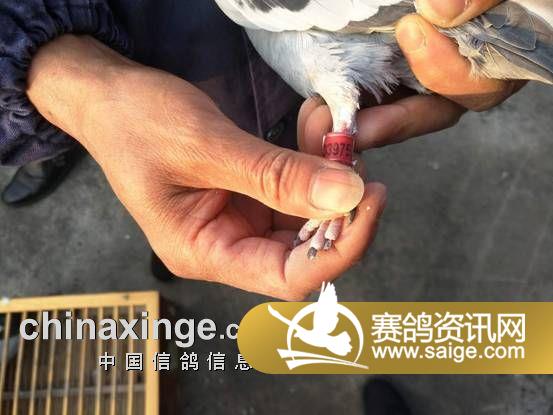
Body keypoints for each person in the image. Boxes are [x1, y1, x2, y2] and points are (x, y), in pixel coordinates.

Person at [0, 0, 524, 300]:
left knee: (312, 130)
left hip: (309, 61)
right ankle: (59, 140)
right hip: (145, 61)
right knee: (182, 175)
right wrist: (63, 83)